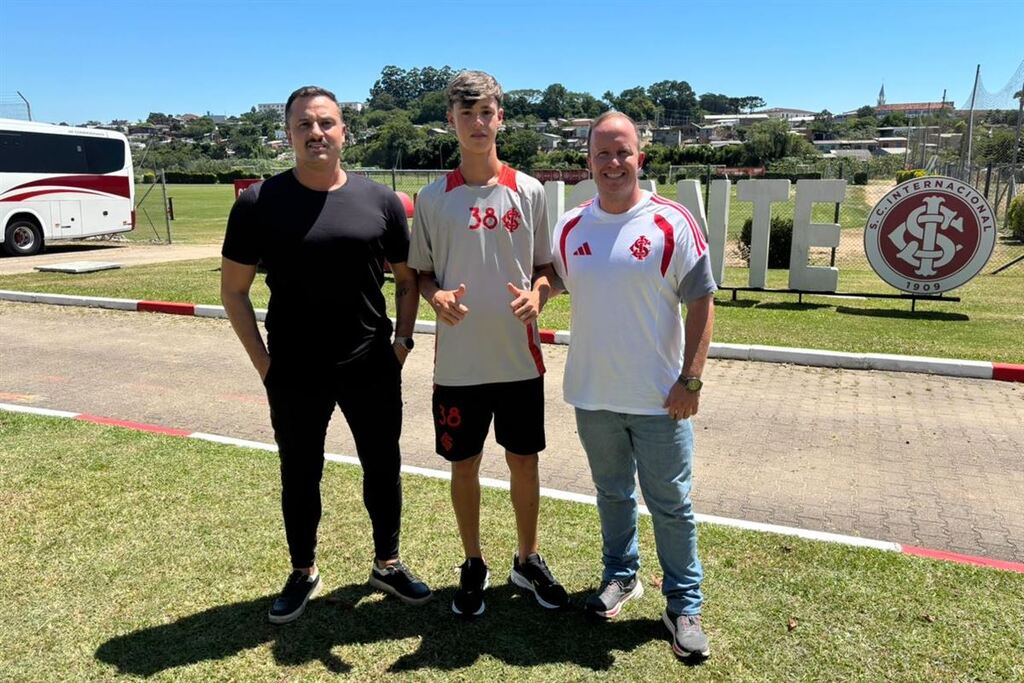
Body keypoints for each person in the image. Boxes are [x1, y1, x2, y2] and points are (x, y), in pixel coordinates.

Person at [220, 85, 431, 625]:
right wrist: (264, 364)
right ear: (289, 134)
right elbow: (234, 292)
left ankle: (388, 562)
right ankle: (302, 571)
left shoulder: (382, 200)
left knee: (382, 467)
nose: (316, 133)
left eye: (326, 123)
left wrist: (402, 342)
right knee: (300, 472)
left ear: (344, 131)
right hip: (293, 368)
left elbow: (406, 280)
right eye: (304, 125)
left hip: (370, 364)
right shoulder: (257, 204)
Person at [545, 111, 716, 659]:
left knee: (671, 506)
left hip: (660, 400)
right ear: (588, 161)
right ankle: (621, 575)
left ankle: (683, 605)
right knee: (612, 495)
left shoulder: (673, 222)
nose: (614, 163)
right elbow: (559, 277)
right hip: (593, 395)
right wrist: (540, 292)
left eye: (623, 153)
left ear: (640, 156)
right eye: (603, 154)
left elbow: (701, 302)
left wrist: (691, 379)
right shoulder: (571, 226)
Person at [407, 70, 568, 617]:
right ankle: (473, 562)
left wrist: (538, 294)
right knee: (464, 465)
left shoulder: (530, 190)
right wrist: (436, 298)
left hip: (519, 360)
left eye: (487, 113)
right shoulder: (431, 199)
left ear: (500, 118)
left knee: (525, 462)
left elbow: (548, 268)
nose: (478, 123)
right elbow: (421, 274)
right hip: (458, 365)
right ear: (451, 122)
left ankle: (527, 559)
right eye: (466, 114)